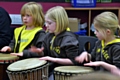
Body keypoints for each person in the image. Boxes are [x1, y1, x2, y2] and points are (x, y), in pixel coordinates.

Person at [30, 6, 79, 79]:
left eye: (49, 23)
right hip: (52, 68)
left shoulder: (69, 39)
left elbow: (73, 61)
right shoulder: (48, 36)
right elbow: (45, 53)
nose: (46, 25)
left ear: (59, 22)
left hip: (65, 71)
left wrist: (53, 59)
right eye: (46, 22)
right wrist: (40, 52)